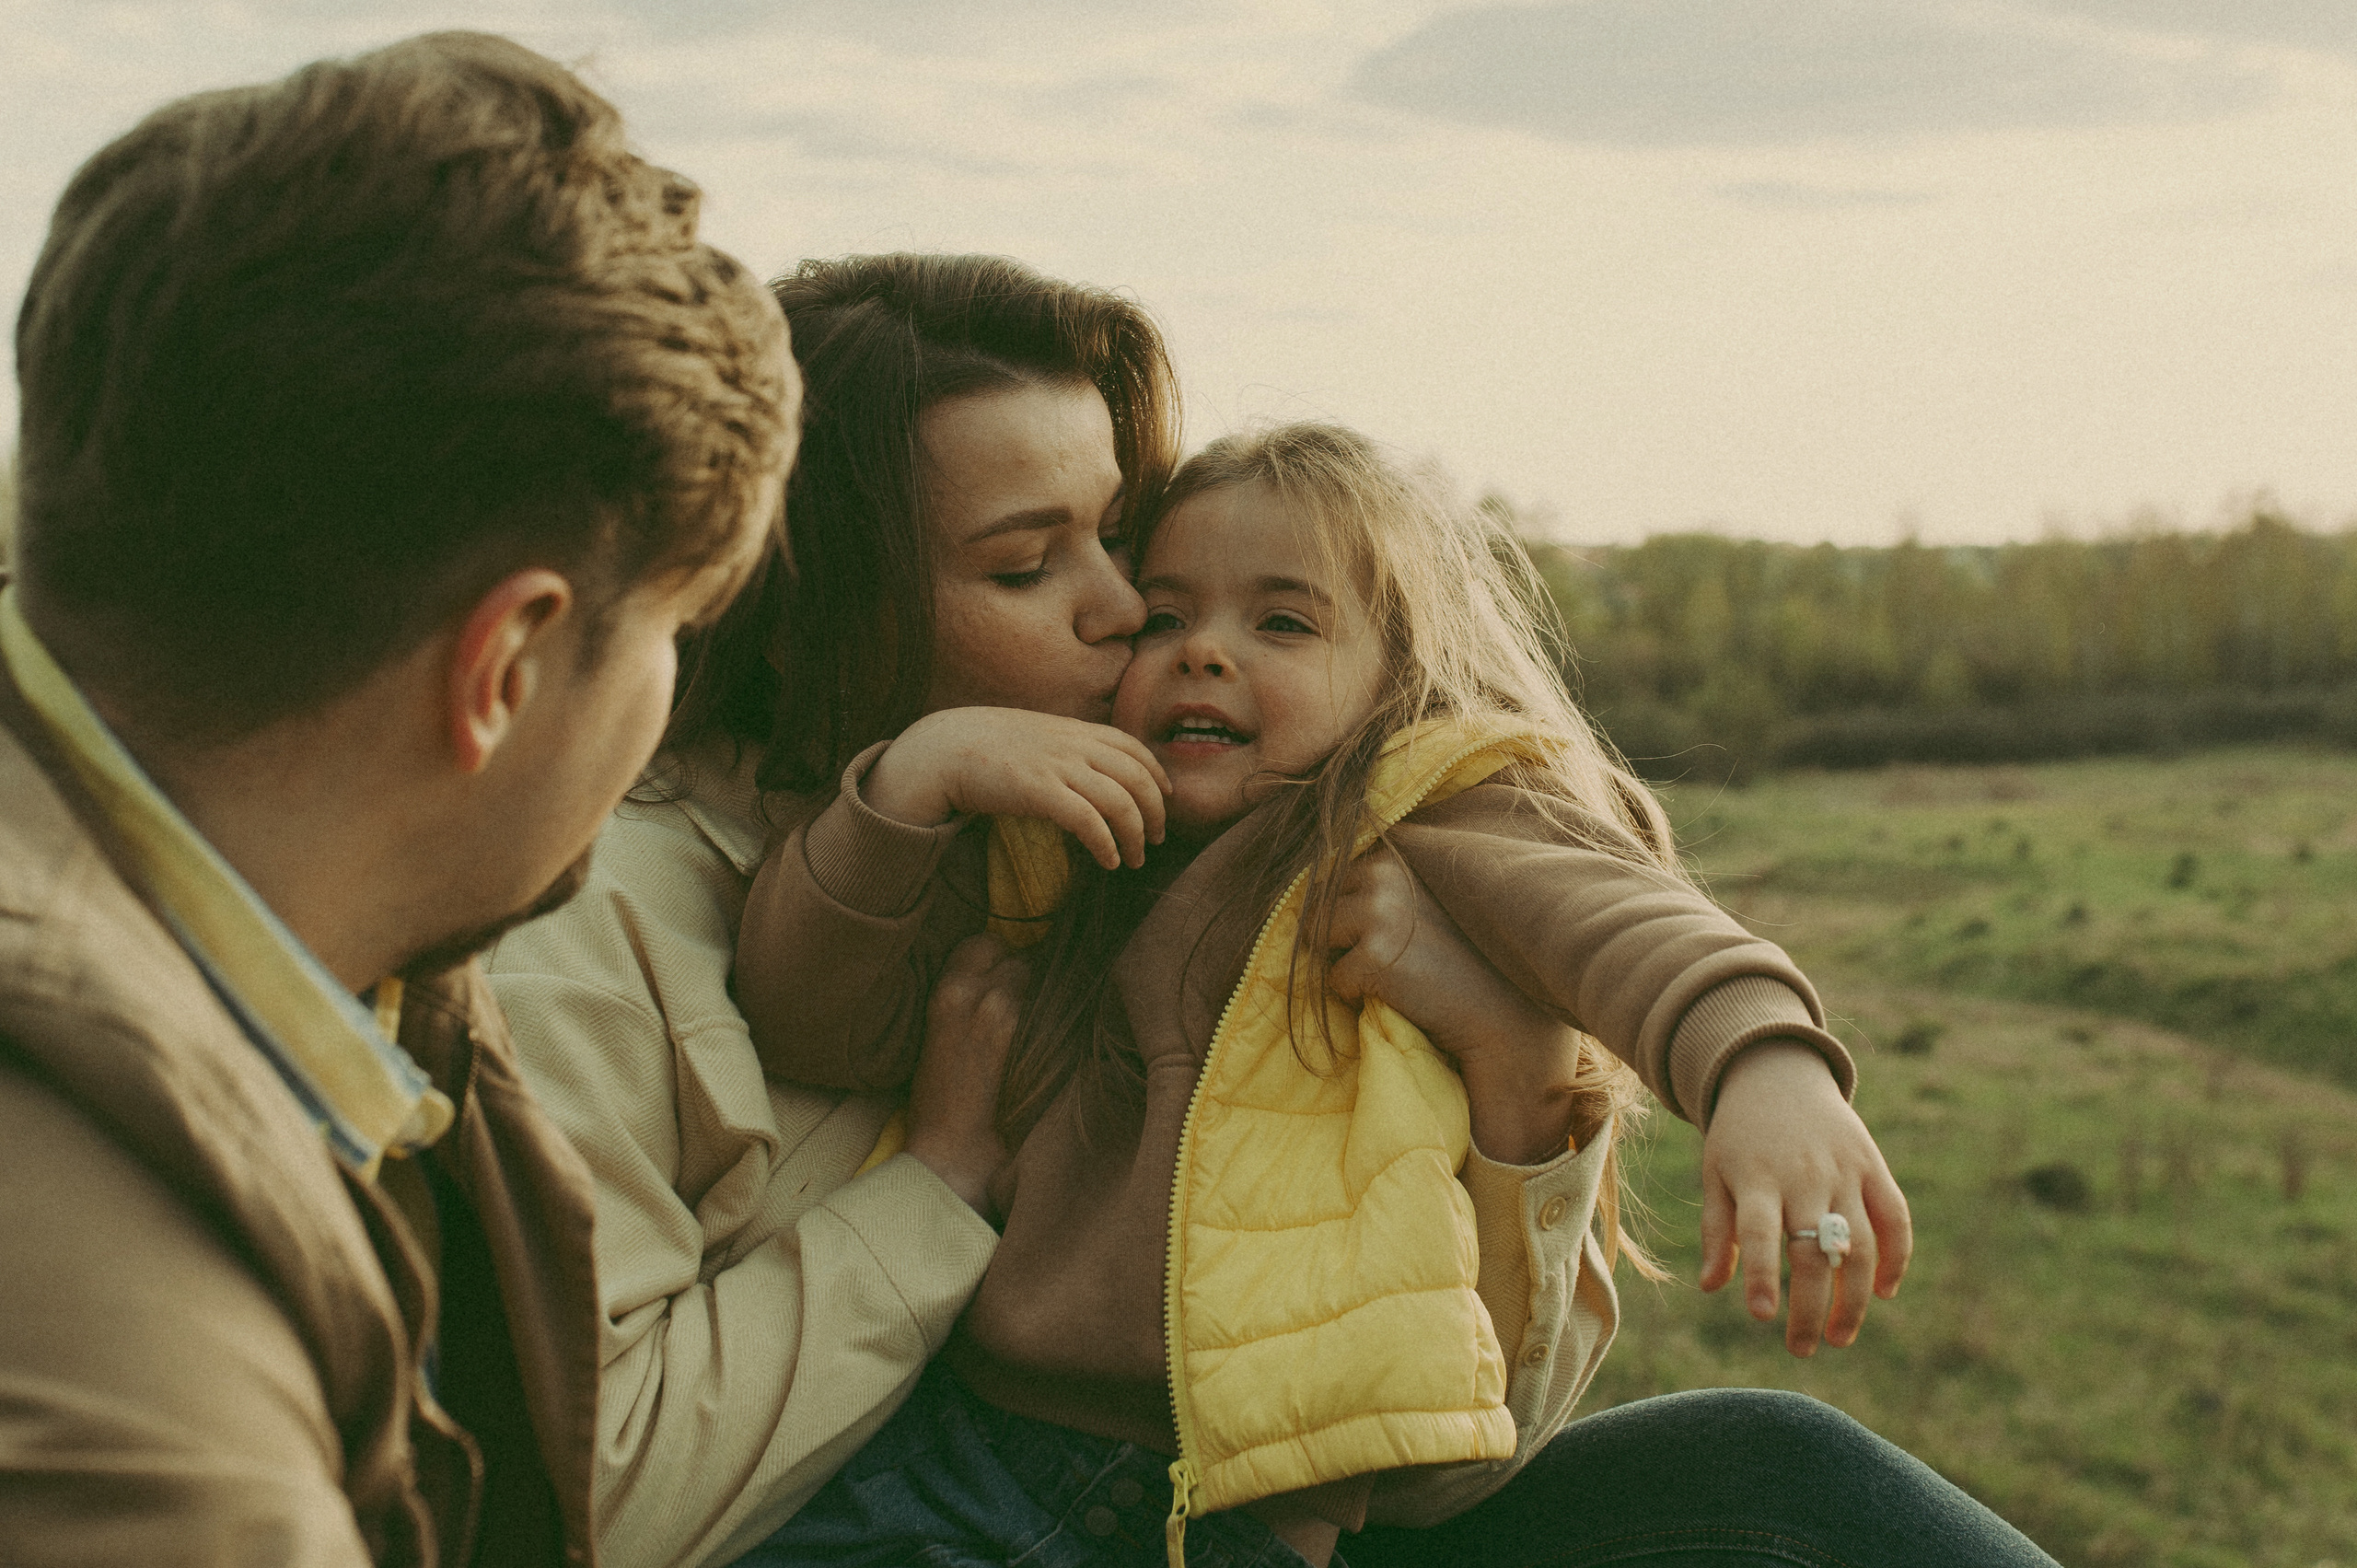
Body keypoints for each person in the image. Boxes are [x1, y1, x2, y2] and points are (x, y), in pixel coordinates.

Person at [734, 422, 1911, 1568]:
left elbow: (1628, 925)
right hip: (936, 1449)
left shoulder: (1416, 808)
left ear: (1402, 678)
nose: (1204, 650)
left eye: (1282, 621)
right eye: (1165, 615)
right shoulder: (1060, 842)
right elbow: (799, 1012)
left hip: (1213, 1516)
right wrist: (906, 785)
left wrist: (1767, 1068)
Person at [0, 32, 795, 1566]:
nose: (668, 704)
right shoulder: (130, 1385)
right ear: (504, 663)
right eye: (675, 631)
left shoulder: (328, 958)